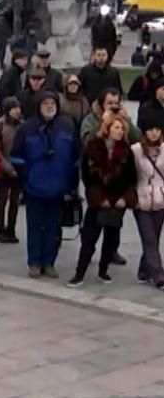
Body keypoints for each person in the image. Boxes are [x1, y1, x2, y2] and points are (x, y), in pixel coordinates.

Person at [10, 90, 78, 278]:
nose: (49, 107)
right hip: (34, 189)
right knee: (35, 227)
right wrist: (27, 178)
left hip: (58, 189)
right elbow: (16, 157)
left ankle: (49, 262)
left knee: (54, 229)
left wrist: (71, 186)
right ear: (39, 106)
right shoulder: (26, 129)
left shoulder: (67, 127)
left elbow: (75, 158)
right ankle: (34, 262)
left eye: (52, 104)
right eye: (45, 103)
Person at [69, 112, 136, 287]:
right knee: (89, 239)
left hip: (117, 201)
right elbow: (87, 176)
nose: (120, 131)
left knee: (111, 239)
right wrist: (98, 198)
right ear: (107, 129)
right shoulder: (93, 148)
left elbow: (131, 178)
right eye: (116, 127)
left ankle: (103, 271)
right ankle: (79, 273)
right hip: (98, 201)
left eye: (122, 128)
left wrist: (123, 199)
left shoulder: (126, 152)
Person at [132, 114, 164, 288]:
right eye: (151, 130)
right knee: (149, 238)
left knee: (154, 237)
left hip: (160, 200)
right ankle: (158, 274)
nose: (154, 133)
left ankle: (144, 270)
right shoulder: (136, 150)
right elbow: (130, 175)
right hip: (141, 200)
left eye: (157, 130)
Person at [0, 97, 25, 244]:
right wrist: (7, 167)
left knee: (14, 200)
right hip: (3, 168)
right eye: (13, 108)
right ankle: (0, 229)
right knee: (3, 199)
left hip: (19, 168)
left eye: (18, 107)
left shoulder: (23, 125)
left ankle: (11, 228)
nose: (16, 111)